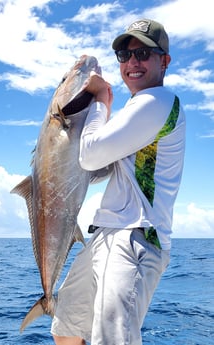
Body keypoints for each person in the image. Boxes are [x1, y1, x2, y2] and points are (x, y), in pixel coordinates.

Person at [51, 18, 185, 345]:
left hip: (135, 235)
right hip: (105, 234)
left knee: (113, 338)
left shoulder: (159, 102)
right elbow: (99, 168)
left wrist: (100, 100)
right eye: (125, 56)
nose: (132, 62)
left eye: (143, 53)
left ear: (164, 60)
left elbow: (92, 155)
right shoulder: (135, 110)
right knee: (67, 324)